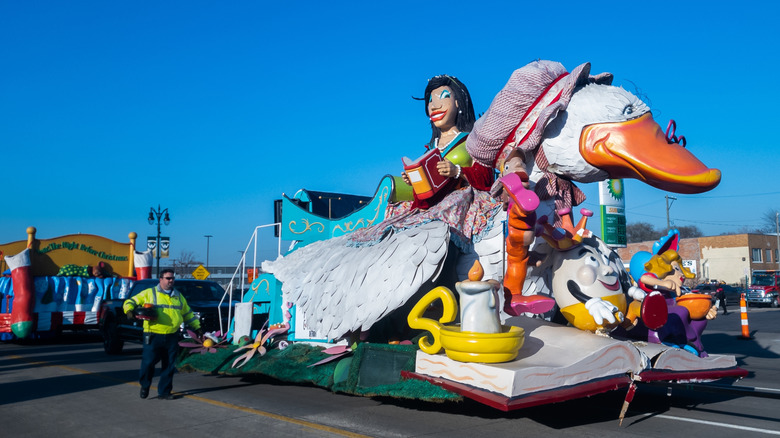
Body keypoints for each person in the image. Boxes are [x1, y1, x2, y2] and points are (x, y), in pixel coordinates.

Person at [124, 269, 201, 399]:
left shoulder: (178, 296)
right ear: (161, 279)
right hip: (153, 334)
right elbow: (130, 301)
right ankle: (145, 385)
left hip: (172, 335)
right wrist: (129, 311)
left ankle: (164, 392)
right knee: (148, 363)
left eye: (172, 278)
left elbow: (188, 314)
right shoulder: (149, 293)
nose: (171, 281)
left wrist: (197, 327)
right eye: (168, 278)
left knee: (169, 365)